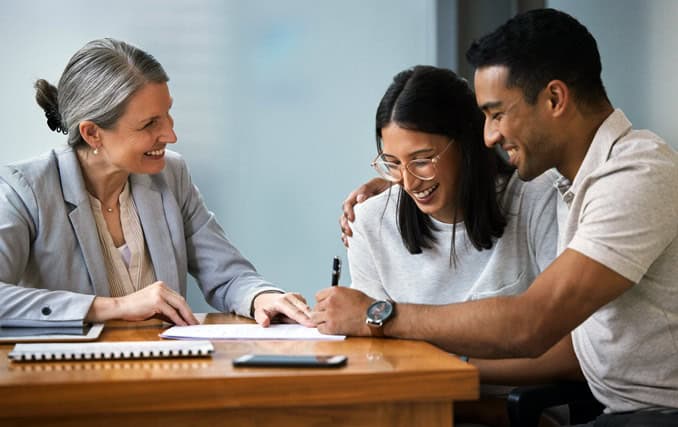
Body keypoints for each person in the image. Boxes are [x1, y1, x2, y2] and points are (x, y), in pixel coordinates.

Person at [319, 8, 678, 426]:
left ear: (555, 99)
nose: (488, 135)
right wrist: (405, 180)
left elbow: (534, 323)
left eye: (497, 114)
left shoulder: (636, 175)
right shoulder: (577, 182)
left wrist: (378, 314)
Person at [0, 38, 312, 328]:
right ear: (92, 133)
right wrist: (114, 307)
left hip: (163, 371)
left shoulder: (170, 175)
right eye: (150, 123)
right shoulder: (25, 190)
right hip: (69, 379)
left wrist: (261, 297)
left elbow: (227, 274)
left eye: (167, 115)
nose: (171, 136)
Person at [319, 64, 563, 426]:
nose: (409, 181)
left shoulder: (537, 201)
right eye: (393, 164)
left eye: (422, 160)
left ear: (466, 142)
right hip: (409, 412)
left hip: (517, 414)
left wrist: (451, 375)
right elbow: (375, 355)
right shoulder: (370, 221)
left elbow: (570, 354)